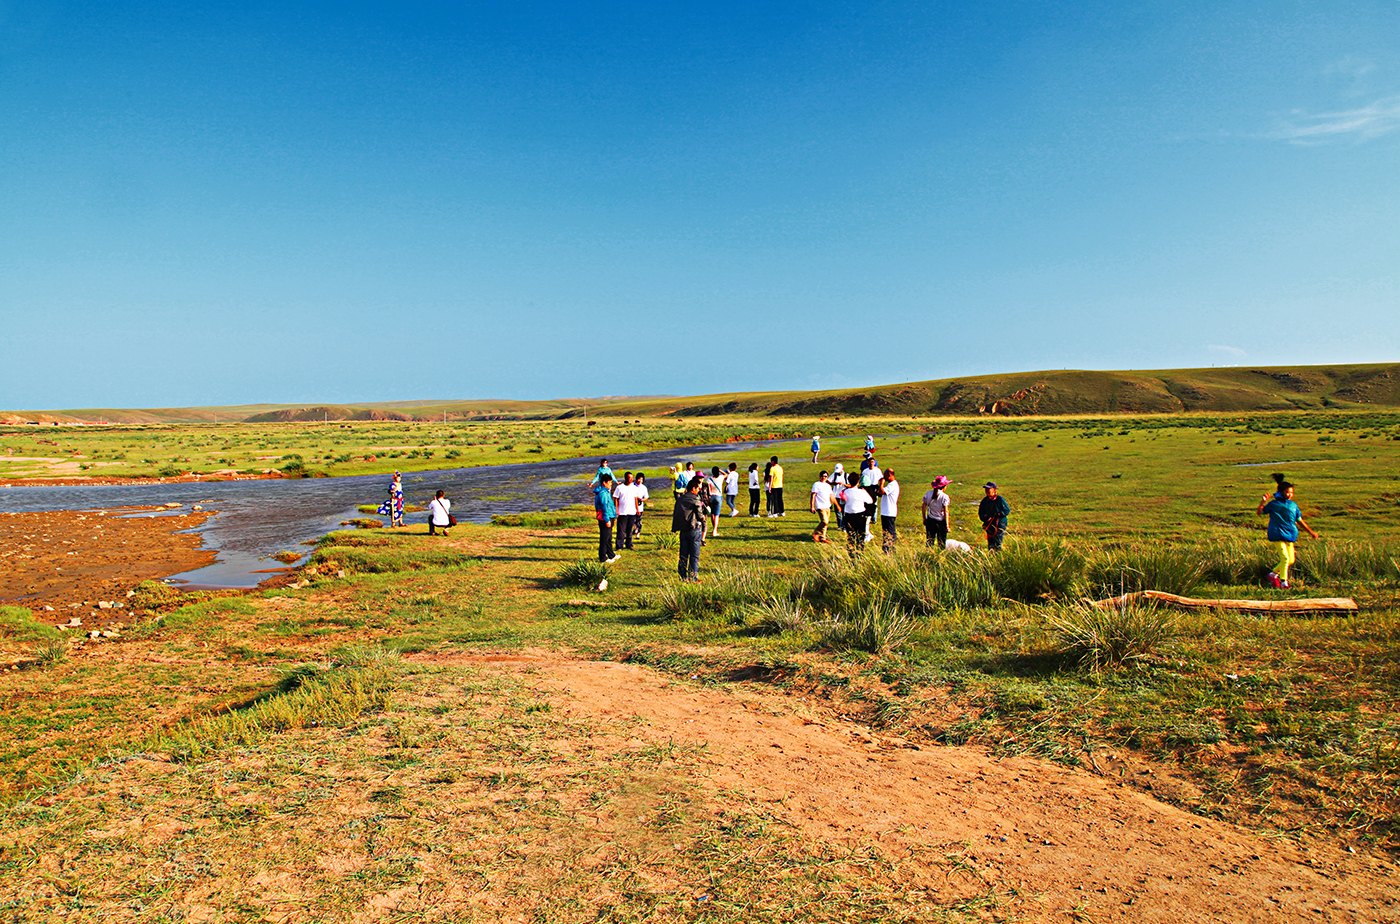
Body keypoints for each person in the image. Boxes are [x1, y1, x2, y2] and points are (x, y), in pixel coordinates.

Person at [1257, 473, 1318, 589]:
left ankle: (1273, 574)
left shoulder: (1293, 506)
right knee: (1284, 558)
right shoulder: (1274, 504)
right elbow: (1260, 512)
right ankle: (1284, 583)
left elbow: (1299, 520)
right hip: (1277, 533)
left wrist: (1310, 532)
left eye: (1291, 493)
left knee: (1291, 560)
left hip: (1290, 534)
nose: (1290, 495)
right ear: (1281, 492)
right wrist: (1262, 502)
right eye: (1287, 492)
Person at [671, 476, 707, 582]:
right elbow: (700, 516)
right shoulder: (695, 498)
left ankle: (683, 576)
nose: (698, 490)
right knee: (694, 555)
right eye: (697, 488)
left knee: (683, 554)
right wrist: (704, 517)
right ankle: (693, 577)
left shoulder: (681, 498)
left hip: (683, 529)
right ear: (693, 489)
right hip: (694, 528)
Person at [841, 472, 873, 558]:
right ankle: (860, 553)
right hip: (860, 515)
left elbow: (842, 502)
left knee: (851, 536)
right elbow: (870, 501)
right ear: (858, 482)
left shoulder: (846, 492)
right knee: (860, 536)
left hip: (849, 516)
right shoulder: (861, 492)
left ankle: (851, 554)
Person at [594, 474, 619, 563]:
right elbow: (604, 506)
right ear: (604, 483)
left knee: (609, 537)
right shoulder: (602, 493)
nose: (611, 484)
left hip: (610, 515)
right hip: (606, 517)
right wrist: (607, 519)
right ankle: (603, 557)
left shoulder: (606, 491)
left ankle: (611, 554)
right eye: (609, 483)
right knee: (604, 538)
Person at [612, 472, 640, 552]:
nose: (631, 479)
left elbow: (635, 499)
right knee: (621, 530)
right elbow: (616, 499)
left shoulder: (634, 488)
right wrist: (616, 510)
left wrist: (637, 509)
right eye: (629, 477)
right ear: (625, 478)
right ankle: (619, 546)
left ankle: (629, 544)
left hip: (632, 512)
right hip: (622, 512)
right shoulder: (620, 487)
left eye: (632, 477)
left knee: (629, 530)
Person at [921, 476, 952, 548]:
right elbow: (946, 511)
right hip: (940, 522)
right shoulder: (945, 497)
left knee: (930, 541)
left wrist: (924, 518)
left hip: (930, 520)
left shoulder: (928, 494)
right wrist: (947, 525)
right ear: (944, 487)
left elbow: (924, 507)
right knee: (941, 543)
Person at [978, 482, 1010, 550]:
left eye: (988, 489)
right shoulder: (984, 501)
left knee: (998, 543)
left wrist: (999, 514)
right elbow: (981, 512)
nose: (986, 491)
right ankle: (991, 557)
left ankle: (998, 557)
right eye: (986, 489)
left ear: (994, 490)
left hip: (1000, 525)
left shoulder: (1000, 499)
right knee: (990, 544)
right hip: (989, 525)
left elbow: (1007, 510)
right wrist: (985, 518)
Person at [878, 468, 900, 552]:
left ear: (890, 475)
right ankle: (887, 547)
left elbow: (882, 492)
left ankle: (890, 547)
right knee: (886, 531)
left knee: (889, 531)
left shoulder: (893, 485)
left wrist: (882, 483)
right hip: (886, 511)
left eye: (885, 475)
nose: (884, 477)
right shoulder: (891, 485)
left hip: (889, 512)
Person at [810, 470, 834, 543]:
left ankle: (822, 538)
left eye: (825, 476)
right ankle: (815, 533)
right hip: (820, 506)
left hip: (827, 506)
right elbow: (813, 495)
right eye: (822, 476)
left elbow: (831, 496)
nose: (824, 477)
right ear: (820, 477)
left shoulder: (828, 486)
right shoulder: (816, 484)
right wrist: (812, 506)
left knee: (826, 524)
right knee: (824, 521)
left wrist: (837, 505)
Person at [705, 466, 724, 539]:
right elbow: (726, 474)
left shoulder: (709, 480)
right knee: (717, 514)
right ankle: (715, 530)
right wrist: (720, 470)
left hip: (711, 496)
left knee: (712, 513)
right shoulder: (721, 478)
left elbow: (709, 491)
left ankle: (714, 528)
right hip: (718, 496)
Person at [829, 463, 846, 531]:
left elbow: (850, 485)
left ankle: (844, 525)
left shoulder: (846, 475)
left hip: (843, 496)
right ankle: (840, 525)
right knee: (837, 512)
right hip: (836, 495)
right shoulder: (834, 475)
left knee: (844, 512)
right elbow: (828, 481)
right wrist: (834, 483)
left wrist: (843, 484)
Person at [632, 473, 649, 539]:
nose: (640, 481)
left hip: (640, 506)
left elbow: (646, 497)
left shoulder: (643, 488)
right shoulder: (632, 486)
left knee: (639, 520)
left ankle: (638, 534)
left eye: (641, 479)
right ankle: (634, 530)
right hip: (632, 506)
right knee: (633, 520)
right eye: (639, 479)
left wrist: (641, 500)